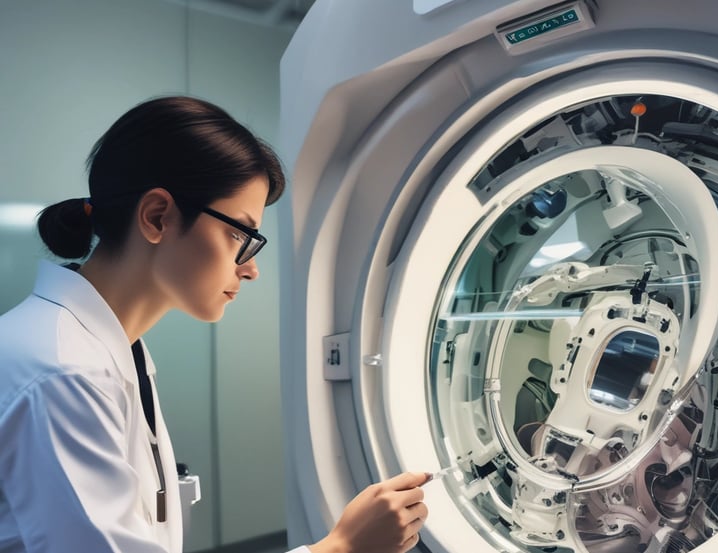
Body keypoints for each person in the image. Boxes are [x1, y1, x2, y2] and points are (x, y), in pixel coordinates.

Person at [0, 96, 429, 553]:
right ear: (157, 217)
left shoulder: (112, 351)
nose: (250, 269)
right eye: (240, 235)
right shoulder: (63, 372)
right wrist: (341, 547)